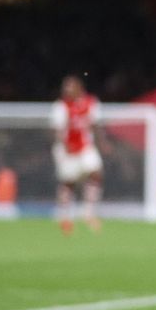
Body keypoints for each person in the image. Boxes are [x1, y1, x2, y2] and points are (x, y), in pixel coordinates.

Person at [49, 75, 105, 234]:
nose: (66, 90)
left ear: (79, 88)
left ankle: (89, 213)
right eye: (65, 87)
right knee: (69, 182)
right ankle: (65, 217)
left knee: (96, 173)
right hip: (66, 150)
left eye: (70, 86)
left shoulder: (90, 103)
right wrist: (66, 145)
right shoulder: (60, 106)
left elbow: (95, 125)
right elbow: (57, 130)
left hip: (86, 147)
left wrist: (103, 143)